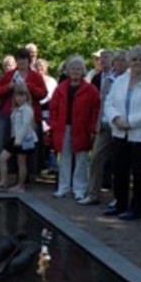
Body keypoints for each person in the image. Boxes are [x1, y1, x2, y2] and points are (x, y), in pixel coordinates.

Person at [103, 45, 141, 221]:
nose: (138, 63)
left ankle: (136, 209)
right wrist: (116, 119)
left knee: (139, 174)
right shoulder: (120, 81)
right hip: (119, 134)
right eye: (134, 59)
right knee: (119, 172)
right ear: (129, 61)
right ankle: (120, 204)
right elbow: (109, 103)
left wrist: (130, 123)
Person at [48, 56, 100, 201]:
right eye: (73, 68)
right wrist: (54, 124)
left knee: (82, 159)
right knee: (64, 158)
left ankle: (79, 189)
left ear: (83, 70)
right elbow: (53, 108)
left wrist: (92, 129)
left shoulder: (90, 90)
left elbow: (95, 111)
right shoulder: (61, 88)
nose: (75, 71)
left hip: (82, 128)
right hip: (64, 128)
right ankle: (63, 188)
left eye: (78, 68)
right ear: (68, 71)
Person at [79, 50, 117, 205]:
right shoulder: (95, 78)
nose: (103, 60)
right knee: (96, 158)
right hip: (102, 123)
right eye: (101, 58)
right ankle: (93, 193)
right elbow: (97, 103)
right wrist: (96, 124)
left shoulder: (120, 78)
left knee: (117, 161)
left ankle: (117, 196)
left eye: (106, 57)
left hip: (118, 124)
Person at [0, 83, 37, 193]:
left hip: (23, 139)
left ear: (27, 96)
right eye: (18, 95)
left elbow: (25, 125)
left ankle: (20, 185)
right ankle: (4, 181)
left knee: (21, 161)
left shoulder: (27, 110)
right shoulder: (16, 109)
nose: (20, 98)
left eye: (22, 95)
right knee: (3, 158)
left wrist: (19, 140)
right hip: (15, 137)